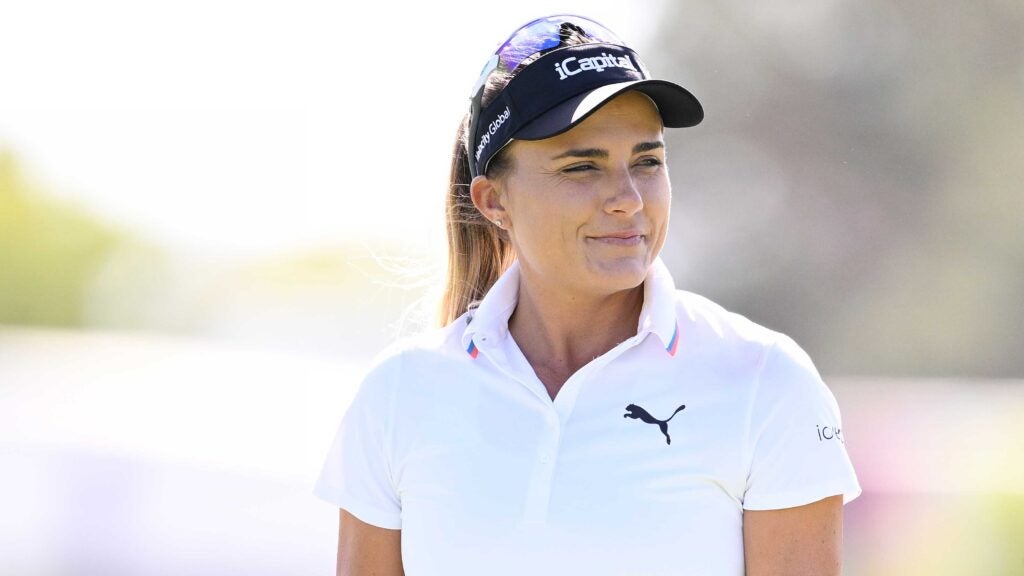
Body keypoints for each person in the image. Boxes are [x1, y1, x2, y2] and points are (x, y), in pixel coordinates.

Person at [316, 14, 860, 576]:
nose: (627, 198)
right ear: (492, 201)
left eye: (647, 162)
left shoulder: (766, 381)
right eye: (582, 167)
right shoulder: (398, 394)